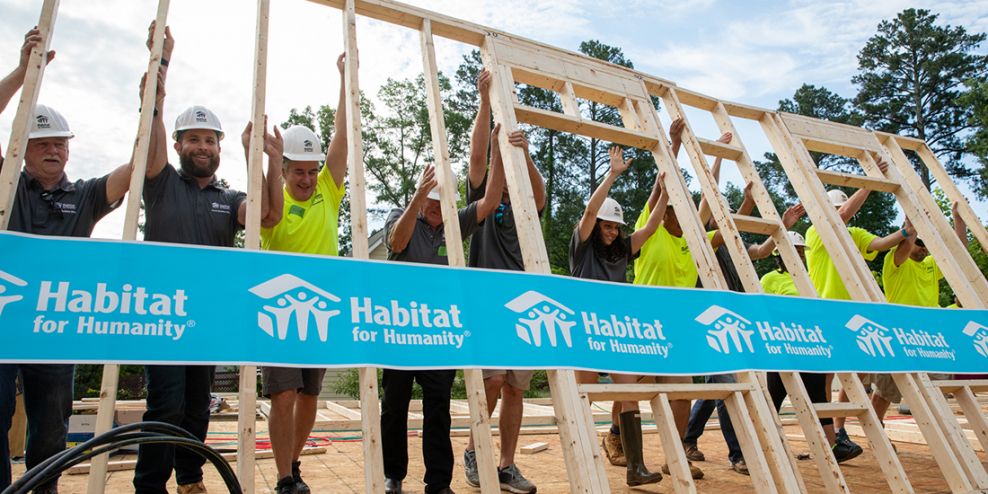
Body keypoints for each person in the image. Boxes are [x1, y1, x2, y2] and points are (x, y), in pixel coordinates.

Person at [134, 24, 282, 494]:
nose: (202, 147)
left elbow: (270, 216)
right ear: (178, 145)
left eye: (209, 140)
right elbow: (148, 125)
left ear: (219, 148)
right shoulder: (160, 181)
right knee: (166, 403)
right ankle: (150, 485)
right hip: (162, 314)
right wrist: (160, 65)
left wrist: (270, 159)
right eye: (193, 139)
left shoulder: (229, 195)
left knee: (198, 403)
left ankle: (191, 479)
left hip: (207, 315)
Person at [0, 29, 131, 494]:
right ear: (25, 146)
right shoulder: (7, 184)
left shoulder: (84, 196)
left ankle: (44, 490)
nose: (53, 150)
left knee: (52, 427)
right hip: (2, 323)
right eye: (42, 143)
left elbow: (137, 167)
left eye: (60, 143)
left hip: (54, 327)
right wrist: (21, 73)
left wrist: (149, 98)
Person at [381, 144, 504, 494]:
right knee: (394, 406)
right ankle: (394, 475)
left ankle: (438, 482)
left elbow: (491, 201)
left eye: (441, 201)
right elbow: (396, 241)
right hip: (401, 330)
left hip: (438, 333)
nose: (436, 208)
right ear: (421, 198)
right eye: (431, 201)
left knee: (439, 409)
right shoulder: (399, 214)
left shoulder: (455, 220)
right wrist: (417, 198)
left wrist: (494, 147)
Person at [259, 53, 348, 494]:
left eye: (313, 171)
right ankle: (281, 478)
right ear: (284, 169)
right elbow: (268, 218)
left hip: (319, 308)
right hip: (277, 306)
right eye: (299, 171)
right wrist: (267, 160)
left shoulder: (328, 193)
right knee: (283, 394)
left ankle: (293, 465)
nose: (309, 179)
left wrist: (344, 80)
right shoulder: (275, 194)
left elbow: (342, 139)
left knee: (311, 394)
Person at [462, 69, 546, 494]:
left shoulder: (527, 208)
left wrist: (524, 152)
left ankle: (507, 464)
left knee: (515, 385)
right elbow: (478, 161)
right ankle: (476, 450)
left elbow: (541, 194)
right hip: (487, 302)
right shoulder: (485, 203)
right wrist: (484, 108)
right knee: (492, 379)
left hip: (524, 303)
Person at [571, 146, 665, 486]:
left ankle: (635, 468)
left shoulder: (623, 250)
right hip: (583, 329)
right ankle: (583, 464)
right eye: (606, 226)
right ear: (597, 226)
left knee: (629, 392)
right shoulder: (582, 247)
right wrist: (612, 174)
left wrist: (665, 194)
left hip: (614, 331)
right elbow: (591, 209)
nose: (611, 231)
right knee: (586, 395)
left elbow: (652, 226)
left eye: (615, 227)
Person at [805, 182, 908, 461]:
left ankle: (839, 432)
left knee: (857, 375)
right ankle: (828, 434)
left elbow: (879, 244)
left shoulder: (853, 234)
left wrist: (907, 231)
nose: (838, 213)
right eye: (834, 209)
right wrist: (868, 185)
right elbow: (838, 219)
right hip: (826, 311)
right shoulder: (815, 232)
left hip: (854, 315)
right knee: (825, 377)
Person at [869, 205, 967, 424]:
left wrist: (957, 219)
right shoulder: (895, 262)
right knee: (885, 390)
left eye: (926, 246)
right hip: (898, 334)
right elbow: (907, 246)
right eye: (920, 245)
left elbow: (960, 256)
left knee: (937, 389)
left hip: (930, 337)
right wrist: (912, 226)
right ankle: (877, 432)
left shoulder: (931, 265)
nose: (924, 250)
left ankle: (943, 434)